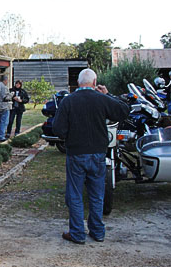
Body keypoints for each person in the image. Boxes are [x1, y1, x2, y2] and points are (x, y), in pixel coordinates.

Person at [53, 68, 129, 244]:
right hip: (98, 153)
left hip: (76, 153)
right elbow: (123, 110)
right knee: (97, 194)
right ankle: (97, 232)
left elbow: (58, 129)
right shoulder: (102, 99)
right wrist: (108, 95)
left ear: (78, 83)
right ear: (95, 83)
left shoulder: (68, 101)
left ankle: (78, 233)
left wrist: (69, 135)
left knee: (75, 194)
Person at [0, 75, 12, 141]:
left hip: (0, 105)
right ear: (5, 80)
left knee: (0, 121)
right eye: (7, 80)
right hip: (4, 106)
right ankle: (1, 136)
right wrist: (11, 94)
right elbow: (5, 97)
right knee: (4, 121)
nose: (7, 82)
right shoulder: (3, 87)